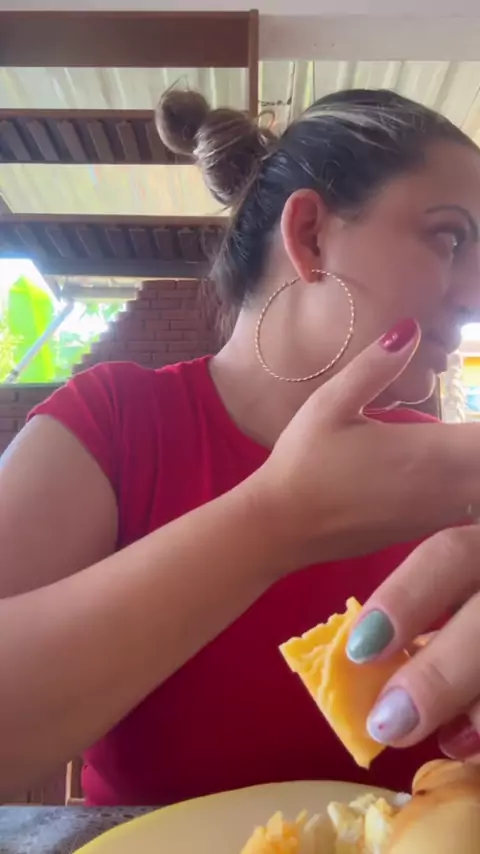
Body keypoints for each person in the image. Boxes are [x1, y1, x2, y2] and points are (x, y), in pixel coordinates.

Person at [2, 87, 480, 807]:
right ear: (310, 235)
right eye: (450, 239)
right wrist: (279, 518)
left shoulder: (442, 473)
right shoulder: (115, 423)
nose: (475, 293)